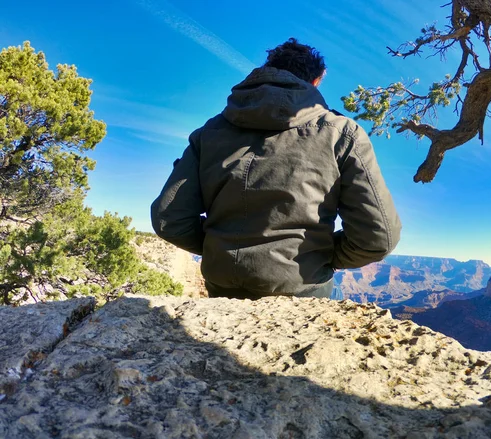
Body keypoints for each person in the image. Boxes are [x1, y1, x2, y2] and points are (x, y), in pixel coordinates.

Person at [151, 38, 401, 299]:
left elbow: (169, 218)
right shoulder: (341, 133)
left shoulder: (208, 133)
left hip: (221, 284)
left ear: (266, 72)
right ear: (315, 81)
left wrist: (224, 247)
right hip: (302, 288)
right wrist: (319, 255)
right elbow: (378, 237)